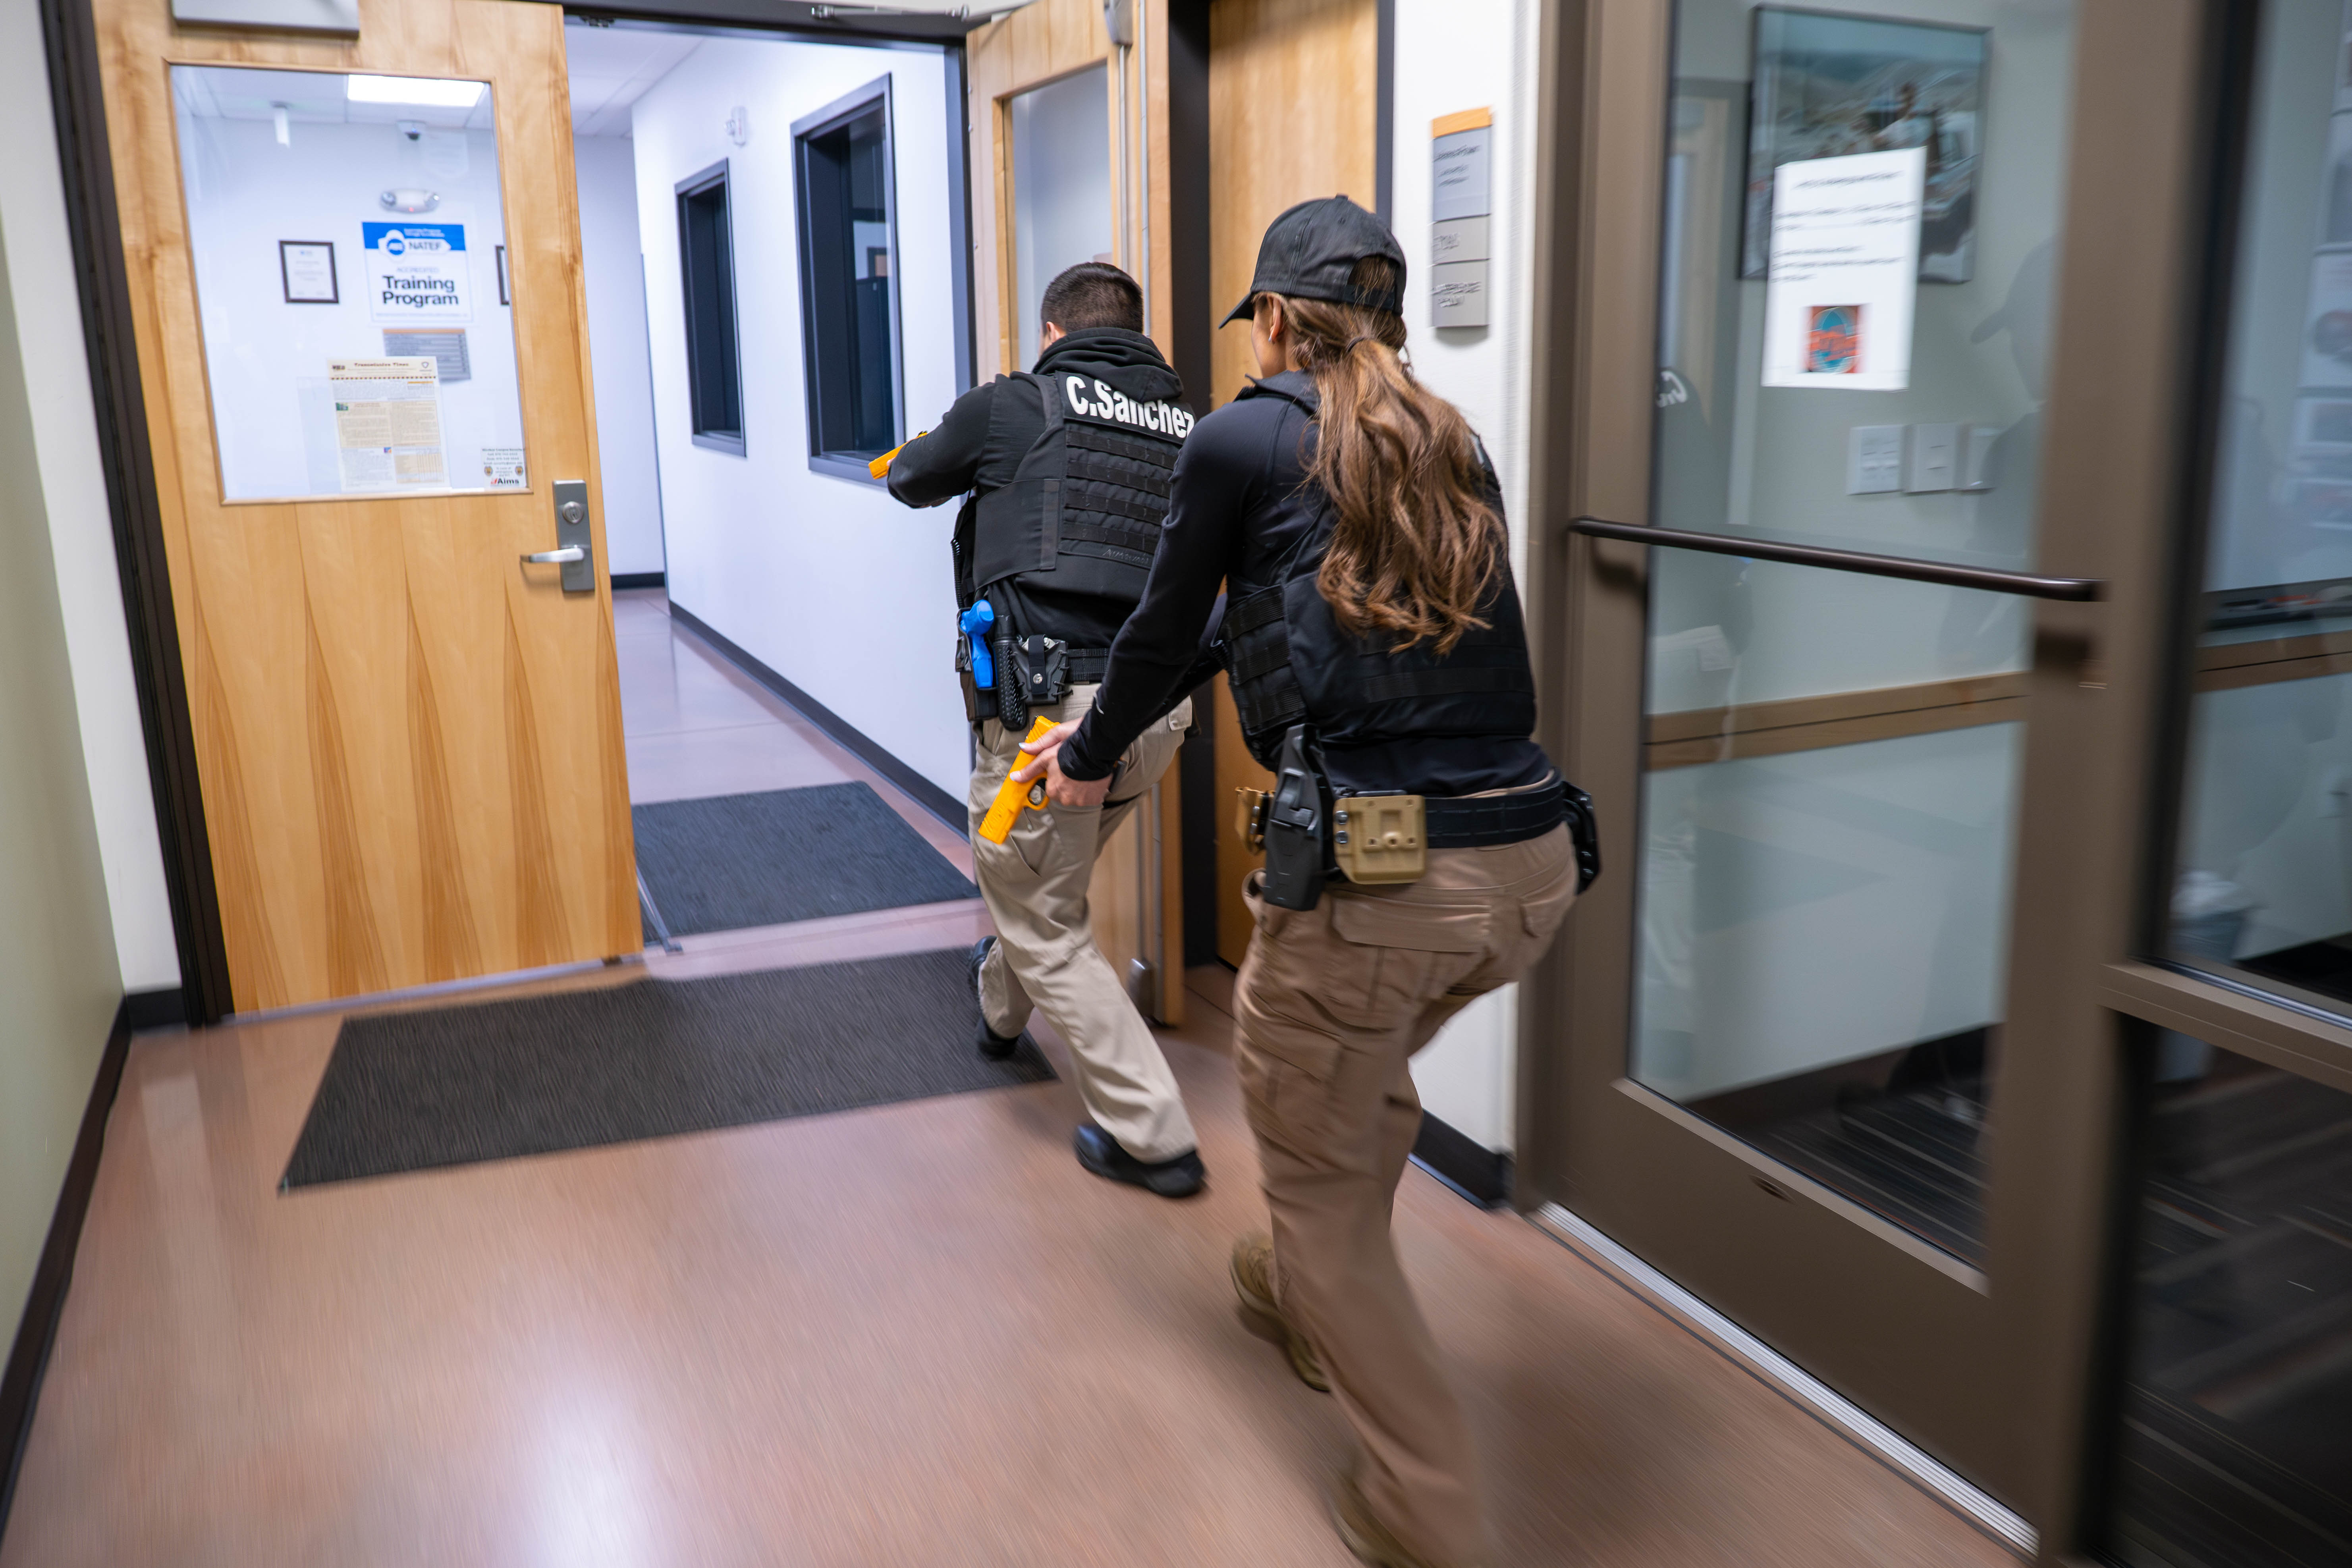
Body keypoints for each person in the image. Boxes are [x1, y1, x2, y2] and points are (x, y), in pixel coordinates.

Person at [1015, 199, 1583, 1568]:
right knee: (1351, 1082)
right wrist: (1094, 737)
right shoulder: (1446, 441)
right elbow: (1261, 616)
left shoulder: (1244, 435)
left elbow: (1159, 629)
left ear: (1273, 320)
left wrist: (1084, 757)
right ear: (1385, 325)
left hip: (1385, 878)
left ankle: (1422, 1506)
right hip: (1526, 868)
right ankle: (1289, 1283)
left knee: (1326, 1127)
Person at [884, 262, 1208, 1200]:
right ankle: (998, 1008)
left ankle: (1154, 1133)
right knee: (1039, 882)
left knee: (1037, 904)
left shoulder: (1014, 404)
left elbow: (911, 478)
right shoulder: (1192, 425)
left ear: (1054, 335)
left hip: (1049, 721)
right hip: (1155, 716)